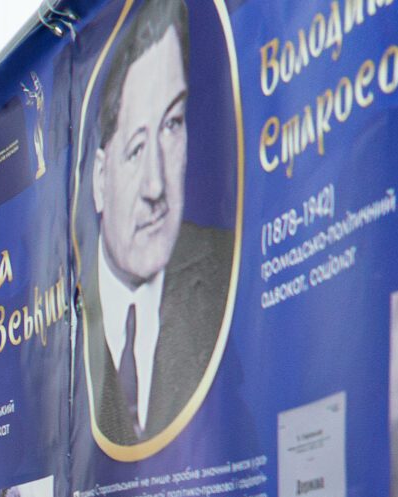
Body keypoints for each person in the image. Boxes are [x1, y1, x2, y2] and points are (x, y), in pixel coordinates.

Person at [81, 0, 233, 447]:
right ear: (100, 179)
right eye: (135, 149)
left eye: (171, 125)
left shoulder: (228, 276)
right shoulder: (58, 331)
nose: (156, 185)